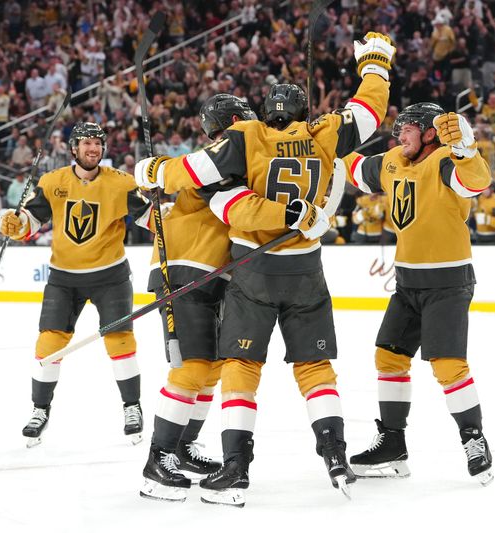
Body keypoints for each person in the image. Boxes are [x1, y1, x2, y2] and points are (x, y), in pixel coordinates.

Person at [135, 31, 394, 506]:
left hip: (247, 272)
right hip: (289, 270)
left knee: (232, 366)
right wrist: (375, 63)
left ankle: (230, 464)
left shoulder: (242, 142)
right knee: (299, 366)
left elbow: (207, 187)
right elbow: (368, 111)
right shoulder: (323, 136)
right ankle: (333, 454)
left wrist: (152, 173)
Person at [341, 102, 494, 486]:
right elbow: (356, 170)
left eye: (408, 128)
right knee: (388, 356)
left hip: (447, 282)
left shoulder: (446, 159)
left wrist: (468, 151)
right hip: (408, 283)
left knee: (447, 365)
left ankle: (474, 439)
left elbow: (475, 182)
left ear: (430, 132)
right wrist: (326, 141)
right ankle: (393, 444)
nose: (399, 135)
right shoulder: (393, 159)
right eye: (399, 129)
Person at [0, 122, 152, 447]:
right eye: (86, 143)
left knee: (120, 342)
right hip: (63, 278)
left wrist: (167, 215)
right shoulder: (53, 182)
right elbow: (30, 221)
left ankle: (131, 407)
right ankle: (40, 410)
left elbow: (149, 218)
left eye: (97, 143)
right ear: (73, 148)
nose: (92, 149)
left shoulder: (121, 183)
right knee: (49, 346)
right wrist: (13, 223)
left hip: (110, 276)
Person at [140, 94, 257, 502]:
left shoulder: (233, 157)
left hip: (213, 274)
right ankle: (157, 463)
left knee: (212, 369)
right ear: (234, 122)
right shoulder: (217, 157)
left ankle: (182, 449)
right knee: (191, 369)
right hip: (186, 270)